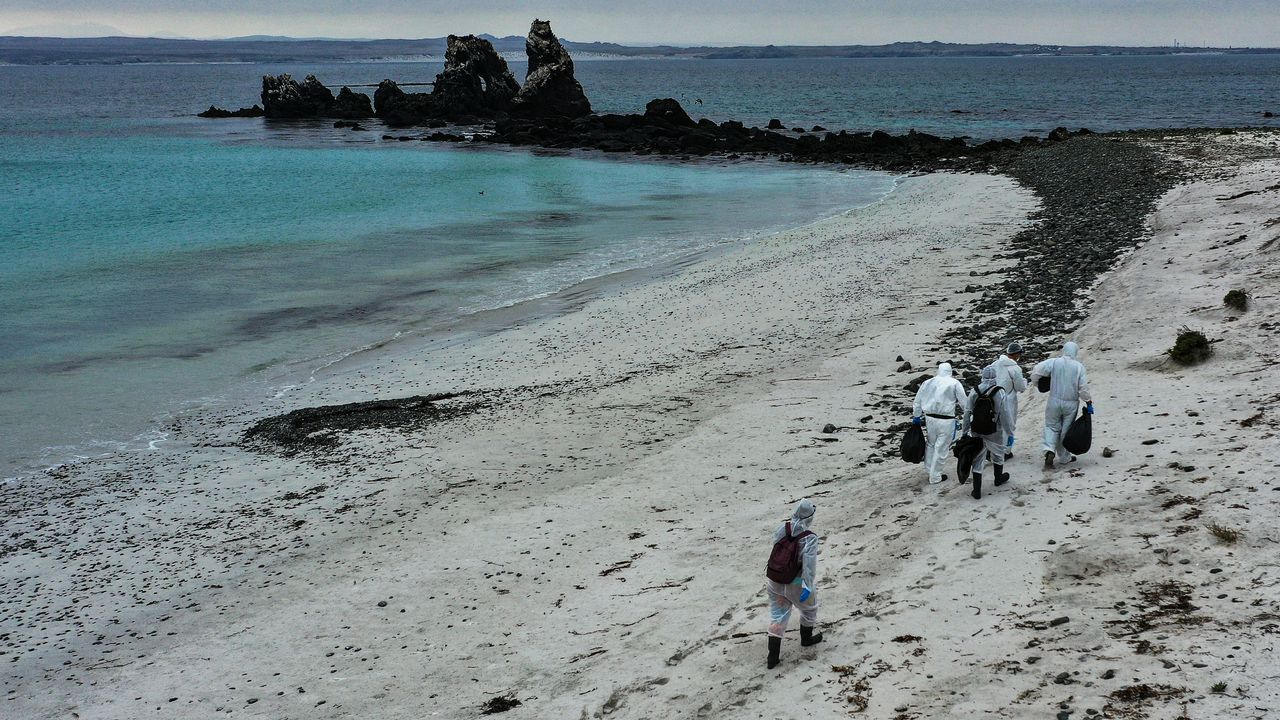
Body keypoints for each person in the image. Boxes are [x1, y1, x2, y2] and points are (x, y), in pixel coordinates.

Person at [765, 499, 822, 669]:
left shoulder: (783, 528)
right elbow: (809, 565)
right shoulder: (809, 537)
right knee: (809, 609)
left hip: (775, 579)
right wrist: (807, 585)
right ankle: (806, 639)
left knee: (778, 616)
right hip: (794, 582)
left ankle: (772, 658)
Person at [1029, 341, 1093, 468]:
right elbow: (1083, 388)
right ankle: (1064, 457)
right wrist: (1088, 401)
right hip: (1071, 403)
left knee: (1051, 426)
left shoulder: (1054, 362)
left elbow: (1036, 371)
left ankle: (1049, 450)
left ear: (1064, 351)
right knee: (1066, 429)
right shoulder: (1079, 367)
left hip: (1054, 400)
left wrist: (1038, 384)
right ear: (1075, 352)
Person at [962, 366, 1017, 499]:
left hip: (977, 429)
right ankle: (998, 478)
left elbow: (967, 412)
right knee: (998, 454)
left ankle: (977, 490)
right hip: (994, 429)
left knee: (978, 457)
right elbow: (1005, 414)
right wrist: (1010, 432)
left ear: (983, 376)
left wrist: (965, 431)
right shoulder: (999, 392)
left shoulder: (975, 391)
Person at [911, 362, 968, 484]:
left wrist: (916, 416)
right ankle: (935, 476)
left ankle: (929, 469)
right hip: (946, 419)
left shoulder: (927, 382)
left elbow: (918, 400)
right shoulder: (954, 383)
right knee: (941, 447)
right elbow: (964, 403)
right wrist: (969, 416)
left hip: (929, 418)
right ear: (950, 371)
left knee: (931, 444)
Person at [991, 342, 1028, 459]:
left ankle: (991, 449)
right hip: (1008, 400)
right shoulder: (1015, 368)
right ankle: (1006, 451)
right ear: (1016, 354)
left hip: (993, 398)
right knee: (1009, 426)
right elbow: (1020, 387)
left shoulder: (994, 364)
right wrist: (1025, 382)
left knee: (995, 425)